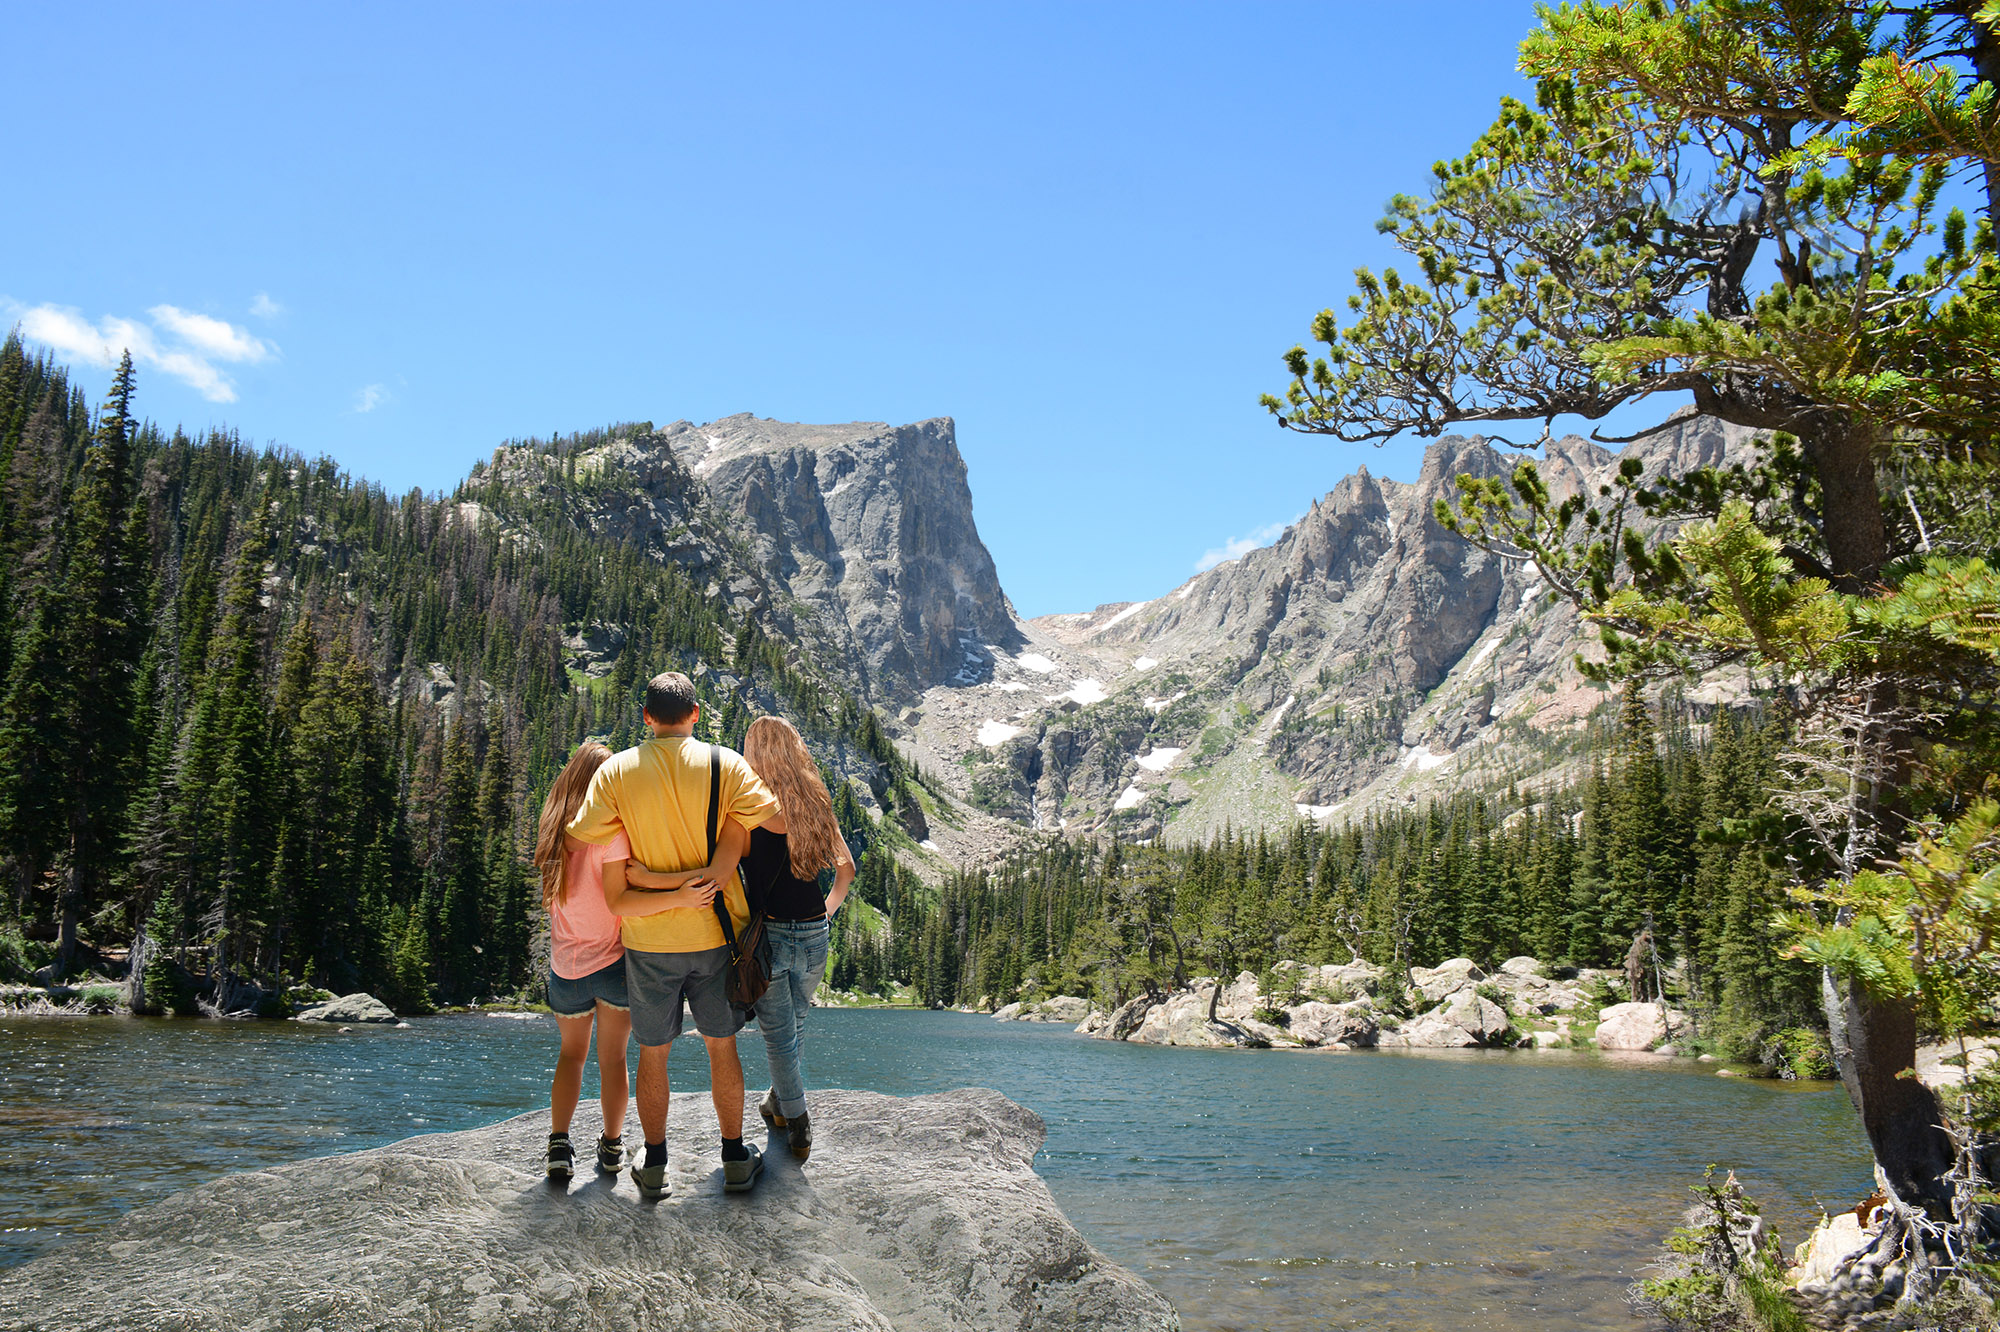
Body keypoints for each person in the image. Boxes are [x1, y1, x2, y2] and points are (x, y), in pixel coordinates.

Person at [567, 671, 779, 1201]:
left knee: (653, 1052)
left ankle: (656, 1163)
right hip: (717, 933)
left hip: (649, 940)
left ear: (646, 718)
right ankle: (734, 1157)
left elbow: (583, 834)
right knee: (721, 1047)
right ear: (695, 714)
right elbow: (769, 817)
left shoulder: (616, 771)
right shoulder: (726, 764)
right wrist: (725, 839)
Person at [532, 739, 745, 1182]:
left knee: (570, 1056)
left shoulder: (553, 831)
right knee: (613, 1059)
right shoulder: (612, 832)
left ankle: (558, 1145)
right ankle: (612, 1146)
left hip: (565, 968)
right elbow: (623, 896)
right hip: (612, 963)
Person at [739, 715, 855, 1161]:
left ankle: (798, 1120)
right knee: (796, 1024)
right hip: (813, 933)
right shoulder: (816, 802)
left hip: (768, 936)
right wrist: (825, 912)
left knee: (778, 1036)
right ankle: (777, 1101)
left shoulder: (748, 806)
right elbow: (846, 871)